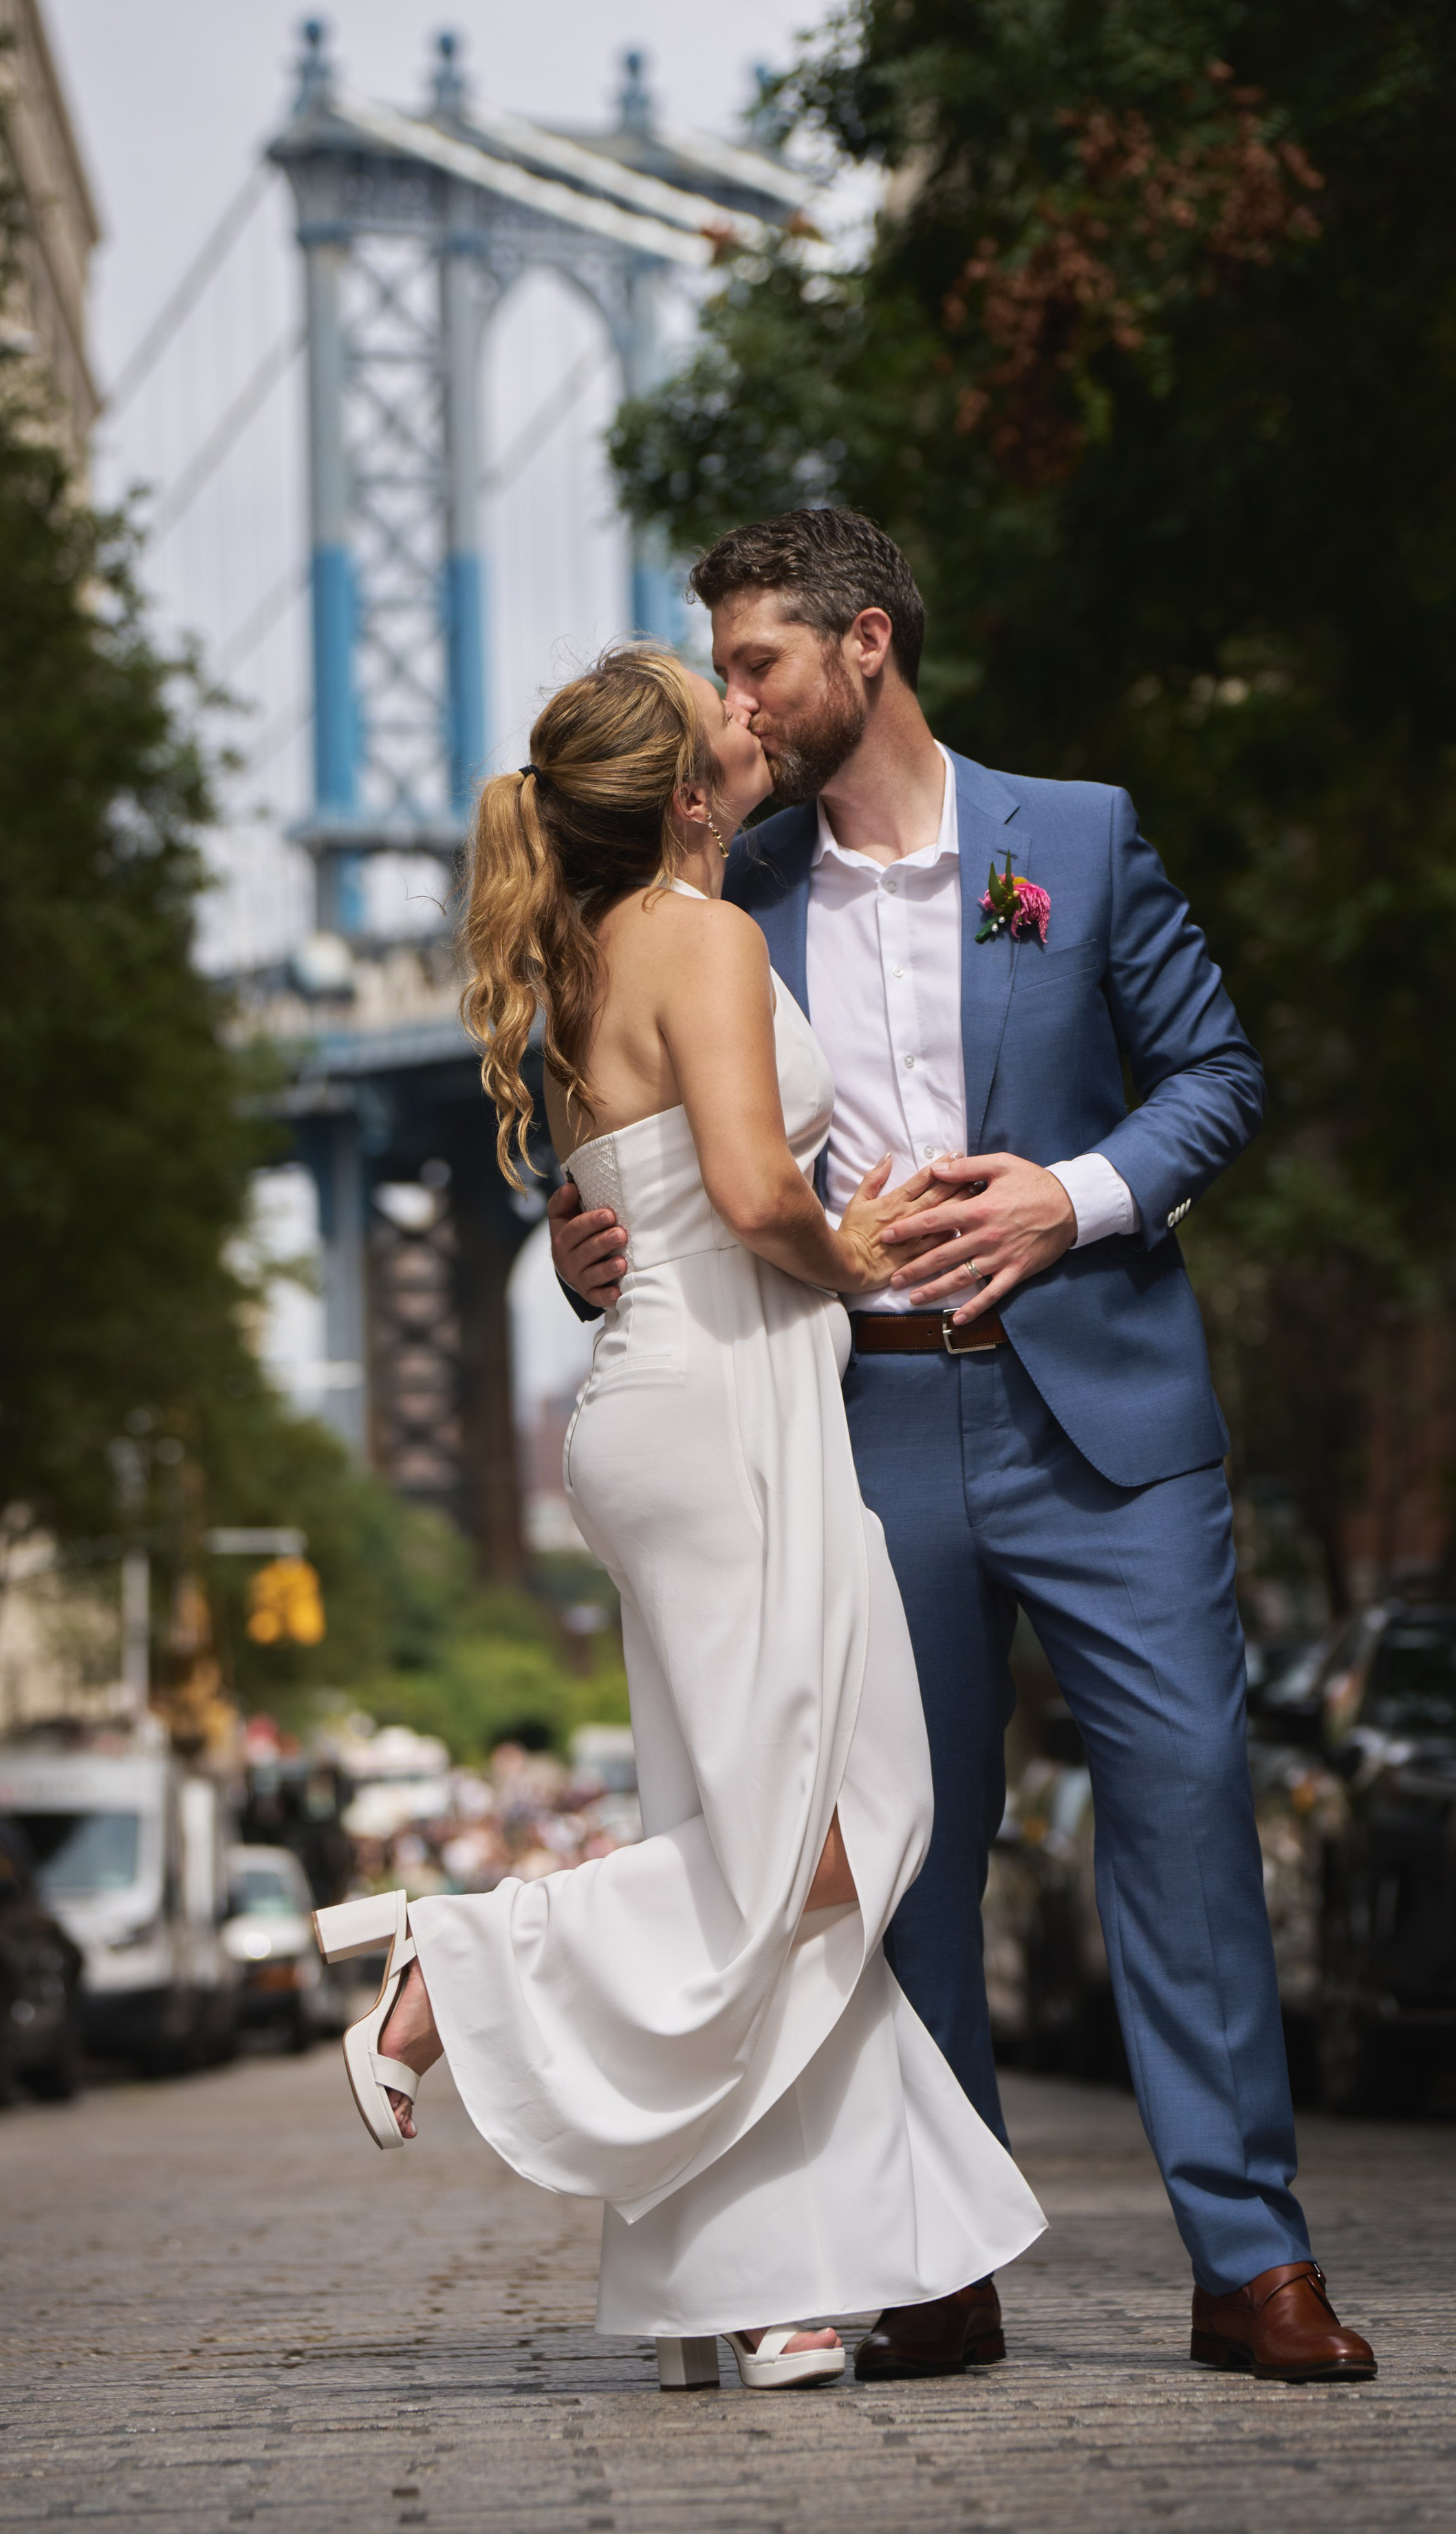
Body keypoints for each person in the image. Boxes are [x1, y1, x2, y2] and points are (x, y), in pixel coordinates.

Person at [549, 508, 1376, 2388]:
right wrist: (574, 1223)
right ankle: (936, 2260)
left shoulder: (1071, 837)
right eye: (721, 671)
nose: (733, 704)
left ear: (867, 649)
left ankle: (1251, 2265)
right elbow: (596, 1097)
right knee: (904, 1850)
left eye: (755, 661)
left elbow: (1220, 1077)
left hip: (1109, 1422)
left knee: (1178, 1818)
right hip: (861, 1418)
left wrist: (1069, 1200)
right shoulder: (723, 890)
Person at [315, 644, 1044, 2392]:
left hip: (665, 1405)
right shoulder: (700, 939)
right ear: (684, 791)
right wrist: (863, 1249)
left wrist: (779, 1238)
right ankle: (460, 1957)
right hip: (727, 1412)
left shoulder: (573, 962)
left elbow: (627, 1200)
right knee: (833, 1830)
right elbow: (738, 1188)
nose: (744, 711)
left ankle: (750, 2282)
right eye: (710, 703)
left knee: (787, 1851)